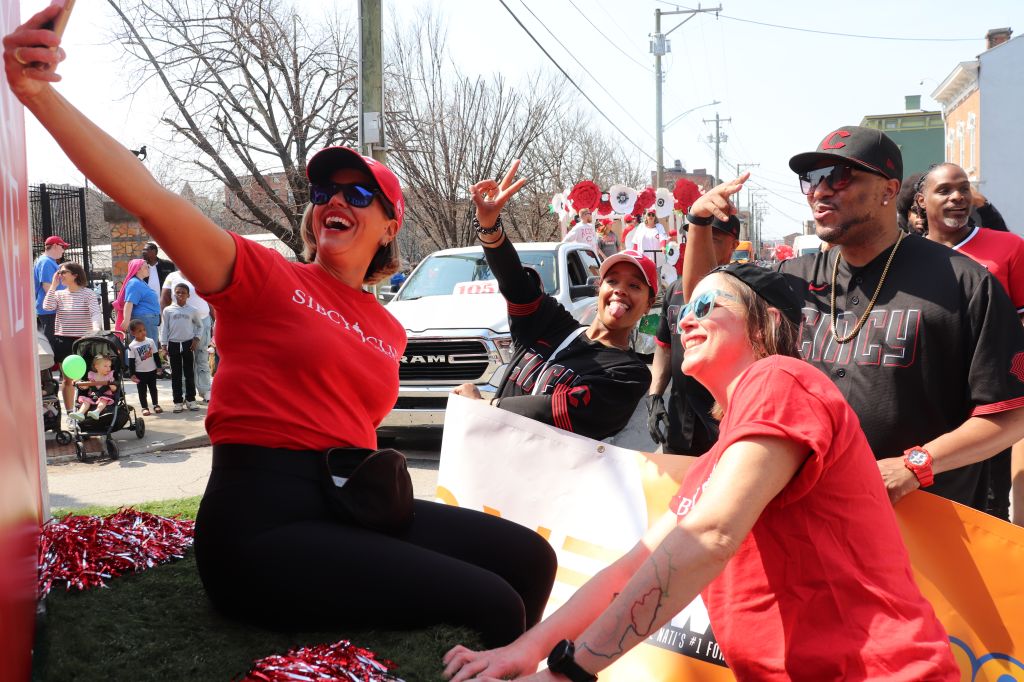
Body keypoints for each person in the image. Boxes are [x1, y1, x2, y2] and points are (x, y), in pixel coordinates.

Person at [4, 9, 555, 644]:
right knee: (492, 603)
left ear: (390, 225)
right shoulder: (264, 276)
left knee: (530, 560)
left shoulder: (387, 325)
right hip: (259, 524)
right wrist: (39, 94)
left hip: (353, 502)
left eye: (357, 193)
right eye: (324, 192)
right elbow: (151, 198)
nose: (335, 201)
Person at [443, 265, 959, 682]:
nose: (684, 321)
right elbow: (626, 574)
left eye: (707, 306)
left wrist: (568, 672)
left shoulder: (780, 377)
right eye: (683, 310)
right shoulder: (719, 460)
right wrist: (526, 650)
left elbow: (710, 536)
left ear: (768, 322)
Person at [705, 124, 1024, 512]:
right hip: (807, 516)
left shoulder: (964, 282)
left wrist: (914, 466)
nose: (820, 191)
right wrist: (697, 225)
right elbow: (701, 310)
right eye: (812, 179)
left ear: (889, 191)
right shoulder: (794, 280)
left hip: (923, 526)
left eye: (838, 177)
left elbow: (1010, 415)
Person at [452, 162, 654, 441]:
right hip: (492, 470)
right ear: (599, 289)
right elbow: (515, 283)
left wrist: (485, 407)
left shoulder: (629, 373)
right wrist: (489, 227)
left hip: (552, 483)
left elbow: (560, 411)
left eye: (634, 285)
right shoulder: (552, 325)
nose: (620, 290)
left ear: (648, 303)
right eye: (613, 280)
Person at [916, 161, 1024, 522]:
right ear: (921, 200)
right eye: (944, 190)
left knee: (988, 510)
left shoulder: (1008, 247)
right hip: (928, 398)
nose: (957, 197)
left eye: (963, 188)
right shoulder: (904, 258)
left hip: (989, 401)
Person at [647, 215, 739, 456]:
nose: (701, 244)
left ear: (734, 245)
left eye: (713, 239)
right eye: (696, 237)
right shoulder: (675, 290)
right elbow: (665, 347)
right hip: (679, 423)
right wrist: (655, 395)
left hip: (723, 423)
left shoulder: (743, 290)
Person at [41, 261, 101, 413]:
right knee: (67, 379)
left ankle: (87, 410)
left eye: (63, 272)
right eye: (59, 273)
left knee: (88, 379)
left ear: (75, 275)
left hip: (84, 341)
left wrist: (96, 330)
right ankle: (70, 412)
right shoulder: (59, 294)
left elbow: (95, 313)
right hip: (63, 340)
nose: (60, 275)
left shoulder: (88, 294)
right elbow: (47, 307)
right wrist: (53, 286)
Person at [162, 270, 214, 400]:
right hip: (180, 324)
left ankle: (205, 390)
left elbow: (210, 297)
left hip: (203, 320)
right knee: (183, 360)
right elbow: (165, 299)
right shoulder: (171, 277)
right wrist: (166, 325)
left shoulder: (201, 274)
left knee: (201, 356)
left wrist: (215, 318)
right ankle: (186, 393)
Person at [160, 283, 202, 412]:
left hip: (187, 343)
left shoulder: (192, 310)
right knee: (176, 374)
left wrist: (196, 339)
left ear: (188, 295)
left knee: (189, 373)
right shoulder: (168, 310)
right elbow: (164, 327)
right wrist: (164, 344)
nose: (180, 295)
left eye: (183, 292)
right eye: (178, 292)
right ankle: (178, 401)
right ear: (174, 294)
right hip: (173, 344)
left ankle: (191, 400)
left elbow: (200, 326)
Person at [34, 234, 68, 350]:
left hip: (49, 309)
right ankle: (51, 368)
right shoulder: (46, 262)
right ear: (54, 246)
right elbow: (48, 287)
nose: (63, 250)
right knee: (50, 343)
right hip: (48, 310)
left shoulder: (47, 261)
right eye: (62, 246)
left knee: (51, 341)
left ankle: (52, 367)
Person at [114, 259, 161, 340]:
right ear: (138, 269)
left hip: (148, 322)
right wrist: (126, 320)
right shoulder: (134, 283)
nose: (148, 269)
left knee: (150, 349)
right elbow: (129, 303)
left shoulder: (141, 282)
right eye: (146, 267)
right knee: (146, 349)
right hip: (144, 322)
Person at [127, 318, 163, 416]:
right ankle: (144, 407)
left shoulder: (150, 341)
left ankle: (156, 404)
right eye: (139, 331)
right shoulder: (132, 346)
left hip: (152, 371)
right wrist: (132, 374)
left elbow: (155, 355)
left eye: (144, 330)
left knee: (153, 389)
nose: (143, 332)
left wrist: (159, 367)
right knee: (142, 391)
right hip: (140, 373)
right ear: (133, 333)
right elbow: (131, 361)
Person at [69, 354, 117, 422]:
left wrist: (111, 384)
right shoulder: (92, 375)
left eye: (109, 366)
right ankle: (80, 413)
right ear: (96, 367)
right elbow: (86, 387)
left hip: (105, 396)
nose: (108, 368)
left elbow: (114, 389)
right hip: (92, 396)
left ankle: (97, 412)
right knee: (86, 401)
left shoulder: (109, 377)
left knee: (103, 400)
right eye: (105, 366)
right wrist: (80, 384)